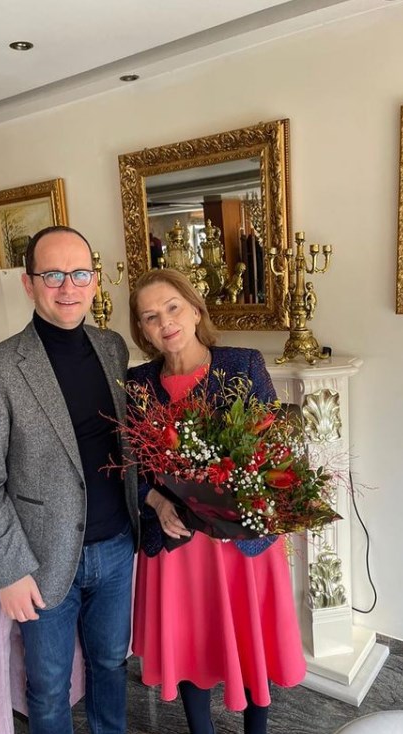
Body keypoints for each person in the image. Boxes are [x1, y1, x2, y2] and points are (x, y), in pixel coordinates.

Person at [0, 226, 139, 734]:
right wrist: (10, 570)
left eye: (79, 274)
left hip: (116, 547)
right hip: (39, 562)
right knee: (49, 686)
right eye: (53, 275)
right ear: (29, 283)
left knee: (111, 664)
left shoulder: (112, 348)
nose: (67, 287)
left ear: (95, 281)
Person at [127, 268, 306, 734]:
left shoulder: (242, 364)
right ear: (142, 329)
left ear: (195, 309)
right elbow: (132, 466)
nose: (165, 322)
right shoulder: (138, 384)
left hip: (239, 542)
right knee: (190, 642)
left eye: (172, 308)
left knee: (250, 640)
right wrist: (157, 502)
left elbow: (272, 449)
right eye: (150, 317)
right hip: (178, 545)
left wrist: (234, 499)